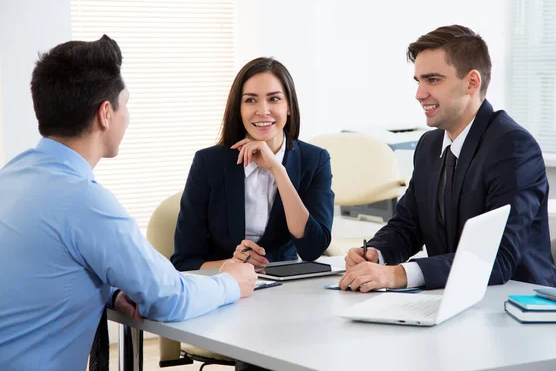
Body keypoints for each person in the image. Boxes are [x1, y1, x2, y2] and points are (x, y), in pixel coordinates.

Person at [0, 35, 257, 371]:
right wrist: (231, 283)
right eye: (126, 103)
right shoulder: (84, 201)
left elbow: (42, 274)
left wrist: (110, 292)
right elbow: (168, 297)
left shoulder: (12, 177)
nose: (128, 115)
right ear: (105, 113)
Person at [341, 25, 556, 292]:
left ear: (471, 82)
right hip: (452, 300)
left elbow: (497, 259)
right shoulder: (429, 145)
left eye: (433, 80)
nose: (420, 94)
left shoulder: (513, 147)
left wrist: (399, 275)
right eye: (418, 81)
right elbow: (409, 224)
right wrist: (377, 253)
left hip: (515, 303)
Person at [171, 57, 334, 273]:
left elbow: (313, 248)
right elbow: (183, 262)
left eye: (274, 99)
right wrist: (232, 264)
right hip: (223, 285)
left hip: (284, 289)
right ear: (238, 109)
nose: (262, 110)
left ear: (289, 107)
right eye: (250, 100)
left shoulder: (315, 160)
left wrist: (278, 170)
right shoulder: (208, 163)